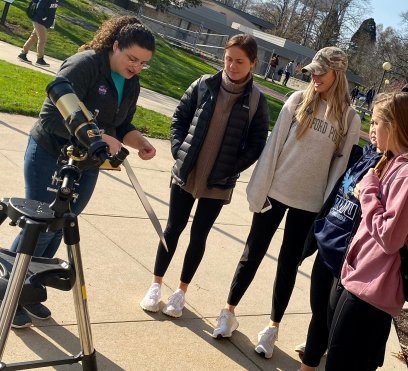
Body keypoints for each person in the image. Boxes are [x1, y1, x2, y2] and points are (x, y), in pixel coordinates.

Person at [211, 46, 361, 360]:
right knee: (252, 253)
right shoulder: (296, 101)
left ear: (337, 73)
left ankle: (272, 327)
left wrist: (324, 208)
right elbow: (274, 147)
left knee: (288, 264)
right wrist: (259, 189)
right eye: (313, 71)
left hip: (309, 204)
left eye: (321, 71)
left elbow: (339, 166)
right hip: (276, 192)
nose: (315, 77)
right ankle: (228, 311)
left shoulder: (349, 118)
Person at [9, 16, 157, 329]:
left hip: (86, 165)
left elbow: (121, 124)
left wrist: (138, 140)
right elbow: (50, 117)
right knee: (38, 227)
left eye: (143, 63)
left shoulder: (132, 82)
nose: (136, 67)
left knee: (60, 227)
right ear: (115, 45)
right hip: (50, 153)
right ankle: (8, 290)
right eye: (132, 58)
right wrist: (98, 137)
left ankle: (30, 290)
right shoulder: (85, 64)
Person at [138, 34, 269, 318]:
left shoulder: (257, 101)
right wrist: (178, 151)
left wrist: (233, 167)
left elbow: (258, 143)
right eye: (228, 59)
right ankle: (156, 285)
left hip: (218, 183)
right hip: (186, 174)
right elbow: (179, 119)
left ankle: (180, 293)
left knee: (199, 236)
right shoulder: (203, 85)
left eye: (240, 61)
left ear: (253, 64)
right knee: (172, 229)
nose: (232, 66)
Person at [325, 92, 408, 370]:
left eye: (376, 122)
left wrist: (368, 191)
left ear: (392, 126)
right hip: (366, 283)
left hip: (372, 291)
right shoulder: (400, 163)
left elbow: (390, 238)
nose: (371, 128)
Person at [295, 120, 383, 371]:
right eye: (373, 122)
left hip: (346, 259)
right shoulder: (360, 155)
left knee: (333, 323)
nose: (374, 128)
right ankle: (310, 361)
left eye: (381, 123)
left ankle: (311, 362)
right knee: (318, 312)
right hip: (327, 245)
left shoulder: (389, 168)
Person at [18, 0, 60, 66]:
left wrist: (50, 21)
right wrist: (43, 17)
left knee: (33, 38)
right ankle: (40, 59)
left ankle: (22, 54)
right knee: (42, 39)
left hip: (44, 22)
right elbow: (39, 7)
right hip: (39, 20)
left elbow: (51, 10)